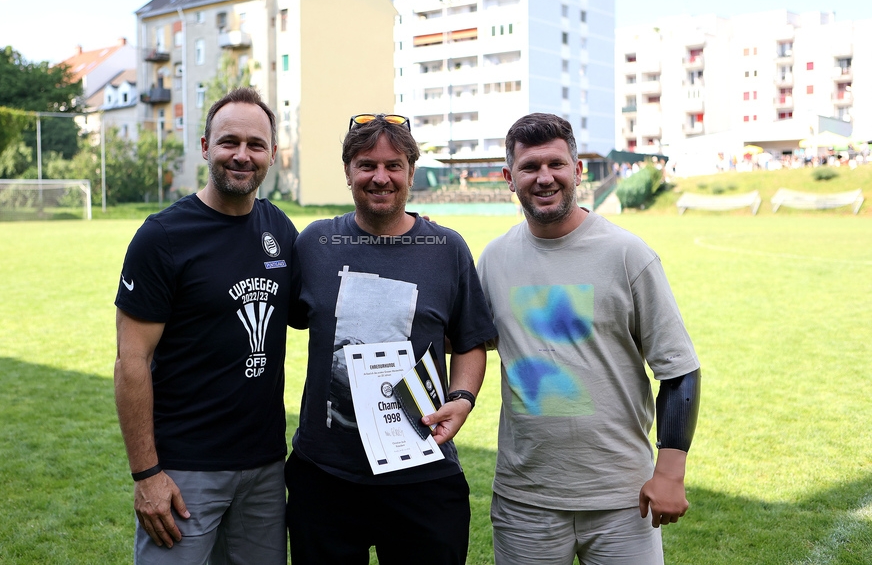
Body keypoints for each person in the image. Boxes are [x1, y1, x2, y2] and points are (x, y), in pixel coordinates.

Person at [477, 113, 701, 565]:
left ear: (578, 170)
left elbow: (679, 368)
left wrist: (671, 474)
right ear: (509, 177)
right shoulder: (495, 259)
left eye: (556, 164)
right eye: (530, 167)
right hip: (526, 501)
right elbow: (459, 342)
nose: (545, 178)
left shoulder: (626, 254)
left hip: (622, 497)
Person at [285, 113, 498, 565]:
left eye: (393, 165)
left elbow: (469, 340)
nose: (380, 177)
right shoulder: (315, 244)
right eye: (367, 165)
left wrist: (461, 398)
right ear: (348, 172)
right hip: (326, 476)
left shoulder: (447, 248)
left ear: (410, 173)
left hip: (422, 471)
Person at [113, 87, 299, 564]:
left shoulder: (278, 228)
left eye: (256, 145)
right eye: (228, 141)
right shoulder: (163, 237)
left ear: (272, 155)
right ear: (205, 147)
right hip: (183, 472)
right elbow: (131, 361)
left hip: (264, 467)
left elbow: (315, 313)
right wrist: (146, 475)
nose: (242, 155)